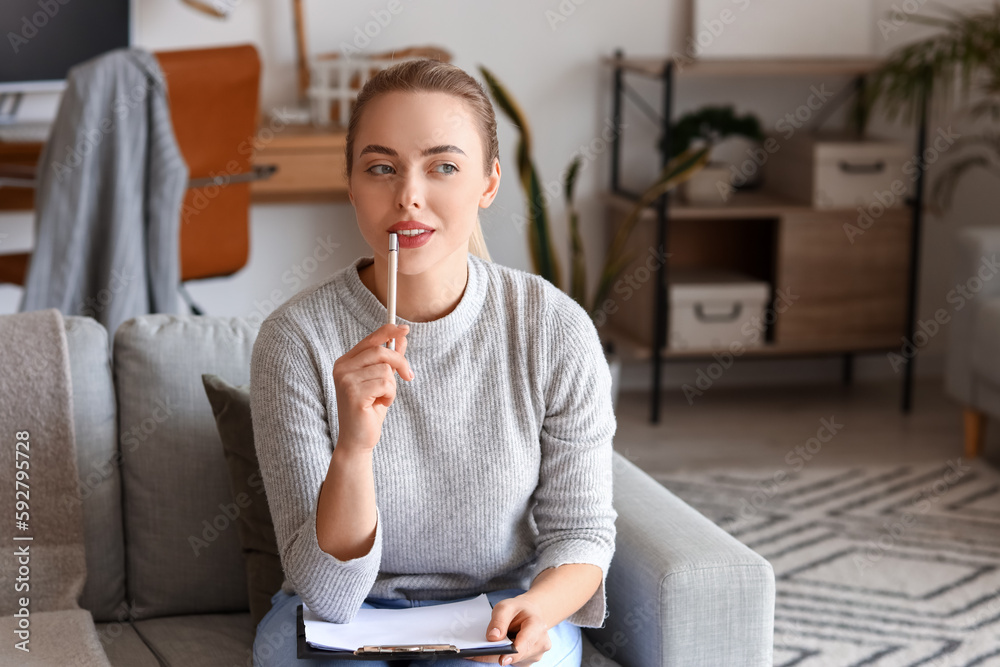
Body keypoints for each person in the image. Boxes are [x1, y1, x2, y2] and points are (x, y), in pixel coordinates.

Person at [249, 58, 617, 667]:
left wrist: (539, 610)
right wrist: (354, 450)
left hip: (498, 609)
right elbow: (327, 593)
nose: (408, 196)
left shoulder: (554, 329)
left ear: (489, 183)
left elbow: (581, 533)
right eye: (381, 168)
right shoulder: (294, 341)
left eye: (443, 166)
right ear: (350, 184)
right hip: (343, 621)